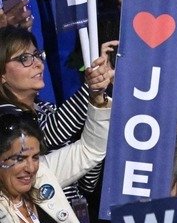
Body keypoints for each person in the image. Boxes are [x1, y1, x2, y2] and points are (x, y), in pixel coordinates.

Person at [0, 28, 116, 203]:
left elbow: (88, 182)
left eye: (37, 55)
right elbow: (46, 136)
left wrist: (98, 100)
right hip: (42, 219)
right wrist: (92, 87)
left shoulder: (46, 109)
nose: (38, 63)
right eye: (24, 58)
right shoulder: (5, 117)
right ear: (2, 74)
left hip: (74, 217)